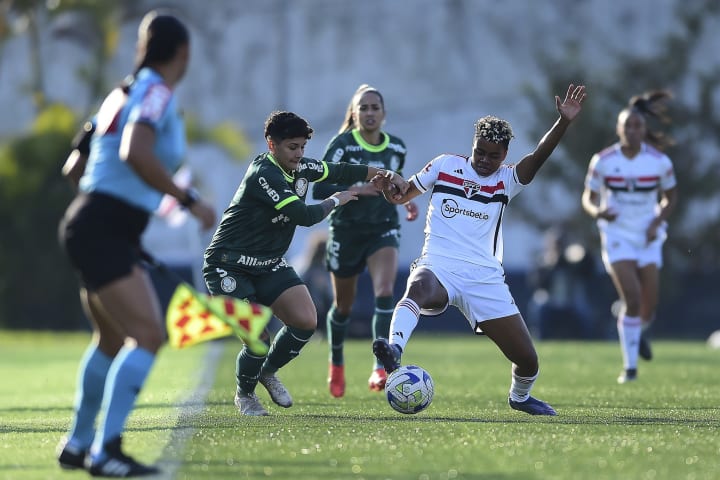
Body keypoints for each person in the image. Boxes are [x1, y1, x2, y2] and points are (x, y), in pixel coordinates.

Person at [56, 11, 216, 477]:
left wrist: (114, 217)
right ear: (183, 54)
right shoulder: (157, 93)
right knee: (147, 335)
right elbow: (134, 152)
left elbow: (74, 168)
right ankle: (107, 453)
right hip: (102, 226)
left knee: (110, 338)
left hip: (93, 222)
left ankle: (78, 444)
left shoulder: (120, 93)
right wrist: (188, 199)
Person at [372, 84, 587, 416]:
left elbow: (538, 157)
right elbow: (401, 195)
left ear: (504, 155)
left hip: (483, 277)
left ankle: (520, 397)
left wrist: (563, 123)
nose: (485, 160)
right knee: (417, 287)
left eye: (493, 155)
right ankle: (394, 351)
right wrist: (390, 187)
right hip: (438, 264)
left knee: (527, 360)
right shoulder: (444, 166)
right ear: (472, 146)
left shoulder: (507, 180)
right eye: (480, 152)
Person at [202, 110, 409, 416]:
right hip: (227, 265)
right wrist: (338, 199)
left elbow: (336, 169)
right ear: (271, 145)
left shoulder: (302, 165)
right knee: (258, 336)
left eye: (302, 147)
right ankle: (245, 395)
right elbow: (304, 215)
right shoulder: (264, 173)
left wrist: (383, 174)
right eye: (292, 147)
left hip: (268, 262)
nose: (299, 154)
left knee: (306, 320)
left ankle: (267, 372)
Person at [312, 84, 419, 398]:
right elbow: (318, 190)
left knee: (385, 291)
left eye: (375, 108)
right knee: (343, 307)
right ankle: (336, 363)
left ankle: (380, 367)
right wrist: (360, 188)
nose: (370, 113)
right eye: (364, 108)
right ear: (354, 114)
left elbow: (394, 188)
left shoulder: (396, 148)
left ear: (384, 114)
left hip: (382, 228)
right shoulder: (342, 146)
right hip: (346, 232)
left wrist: (405, 199)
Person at [581, 90, 677, 384]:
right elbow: (588, 197)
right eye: (627, 126)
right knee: (634, 300)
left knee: (648, 307)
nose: (633, 131)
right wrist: (598, 212)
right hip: (617, 234)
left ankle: (633, 326)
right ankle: (630, 368)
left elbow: (670, 197)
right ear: (618, 129)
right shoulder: (603, 161)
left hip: (648, 236)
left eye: (637, 126)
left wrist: (657, 221)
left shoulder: (659, 161)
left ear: (645, 129)